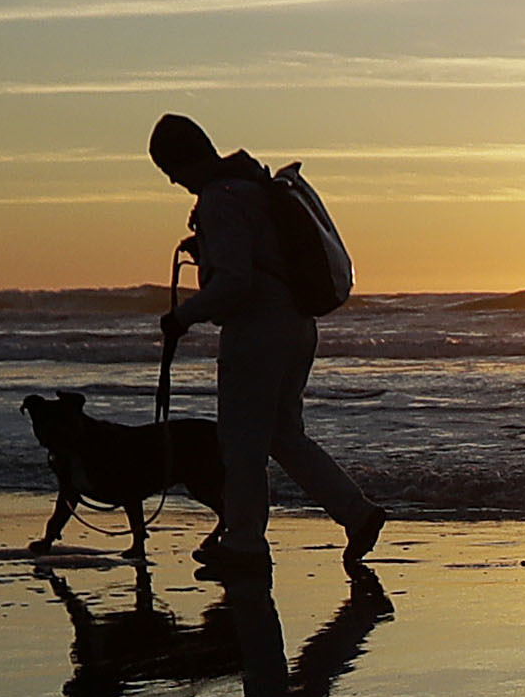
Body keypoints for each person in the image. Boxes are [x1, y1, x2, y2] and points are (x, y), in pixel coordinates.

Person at [148, 112, 387, 576]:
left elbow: (235, 282)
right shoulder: (251, 187)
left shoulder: (220, 199)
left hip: (257, 332)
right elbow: (259, 261)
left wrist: (182, 316)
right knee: (283, 434)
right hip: (297, 326)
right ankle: (357, 514)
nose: (174, 180)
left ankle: (246, 546)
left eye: (169, 169)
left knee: (240, 444)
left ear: (181, 160)